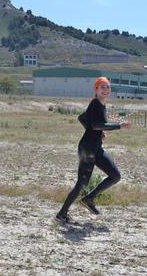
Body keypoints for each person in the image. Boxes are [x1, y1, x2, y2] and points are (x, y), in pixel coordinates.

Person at [56, 77, 131, 223]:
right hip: (87, 149)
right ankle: (62, 214)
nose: (105, 89)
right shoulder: (95, 104)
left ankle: (89, 198)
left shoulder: (100, 104)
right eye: (102, 87)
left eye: (107, 87)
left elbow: (83, 118)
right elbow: (96, 124)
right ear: (96, 90)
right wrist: (118, 125)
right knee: (82, 183)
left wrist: (97, 131)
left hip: (96, 148)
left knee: (115, 176)